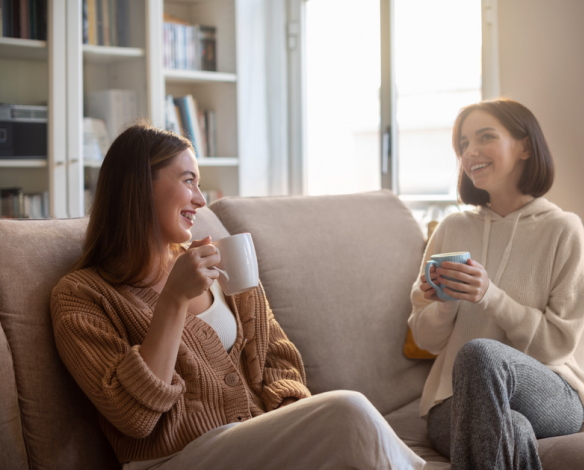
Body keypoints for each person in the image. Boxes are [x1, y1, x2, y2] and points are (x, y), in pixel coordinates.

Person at [51, 123, 425, 470]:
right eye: (188, 180)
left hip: (259, 446)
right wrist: (174, 300)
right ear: (139, 186)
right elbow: (133, 416)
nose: (200, 198)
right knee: (347, 409)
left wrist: (292, 418)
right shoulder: (81, 296)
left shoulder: (222, 263)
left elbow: (277, 356)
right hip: (173, 459)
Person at [409, 99, 584, 470]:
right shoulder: (452, 228)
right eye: (463, 144)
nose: (470, 152)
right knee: (512, 428)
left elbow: (557, 346)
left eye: (485, 137)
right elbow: (426, 341)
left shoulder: (563, 230)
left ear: (525, 147)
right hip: (454, 400)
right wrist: (446, 302)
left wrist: (489, 296)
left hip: (551, 389)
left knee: (481, 353)